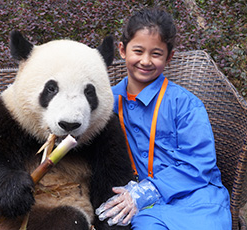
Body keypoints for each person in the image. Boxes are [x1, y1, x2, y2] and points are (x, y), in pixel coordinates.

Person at [96, 7, 232, 229]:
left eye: (156, 53)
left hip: (197, 198)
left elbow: (199, 163)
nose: (146, 61)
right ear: (122, 50)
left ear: (169, 57)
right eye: (138, 51)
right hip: (145, 209)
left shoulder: (186, 104)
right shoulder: (106, 102)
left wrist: (147, 191)